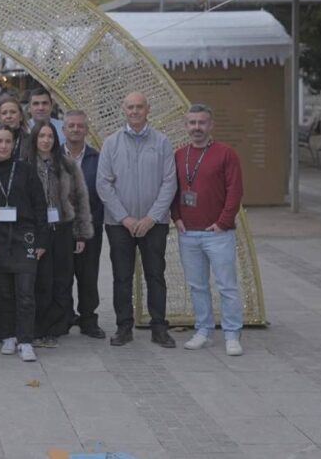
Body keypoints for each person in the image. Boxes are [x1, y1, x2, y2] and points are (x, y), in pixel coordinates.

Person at [97, 91, 177, 348]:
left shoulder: (162, 142)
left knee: (155, 275)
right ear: (124, 109)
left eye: (139, 107)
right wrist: (126, 218)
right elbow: (103, 185)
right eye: (130, 107)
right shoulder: (111, 143)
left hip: (155, 223)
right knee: (122, 276)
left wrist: (152, 218)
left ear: (148, 109)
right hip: (119, 224)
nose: (134, 111)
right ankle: (123, 327)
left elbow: (169, 183)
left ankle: (159, 327)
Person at [171, 104, 245, 356]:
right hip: (188, 233)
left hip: (218, 234)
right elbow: (172, 189)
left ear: (211, 125)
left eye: (202, 123)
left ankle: (232, 334)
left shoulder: (226, 154)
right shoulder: (179, 155)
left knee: (227, 286)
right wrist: (176, 217)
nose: (197, 128)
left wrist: (223, 222)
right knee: (197, 286)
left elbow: (235, 192)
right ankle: (203, 330)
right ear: (185, 126)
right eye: (192, 123)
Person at [0, 125, 48, 362]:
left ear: (14, 144)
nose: (3, 146)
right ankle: (8, 335)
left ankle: (26, 339)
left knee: (26, 292)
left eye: (8, 141)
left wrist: (41, 240)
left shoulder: (26, 170)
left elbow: (40, 206)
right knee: (4, 293)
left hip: (25, 237)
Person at [30, 120, 93, 348]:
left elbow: (80, 199)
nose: (46, 140)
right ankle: (39, 326)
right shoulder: (26, 165)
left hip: (63, 229)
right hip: (38, 230)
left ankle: (56, 326)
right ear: (35, 139)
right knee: (41, 280)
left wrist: (81, 234)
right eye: (42, 136)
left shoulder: (67, 165)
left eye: (50, 136)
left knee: (62, 279)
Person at [0, 94, 30, 341]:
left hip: (22, 233)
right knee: (0, 288)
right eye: (4, 112)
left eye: (13, 112)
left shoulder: (28, 149)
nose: (3, 145)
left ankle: (24, 333)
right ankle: (2, 328)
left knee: (24, 289)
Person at [63, 110, 106, 339]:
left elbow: (103, 193)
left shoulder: (97, 159)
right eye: (71, 126)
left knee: (88, 276)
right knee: (63, 275)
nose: (75, 130)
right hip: (61, 229)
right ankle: (65, 317)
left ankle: (89, 319)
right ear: (64, 130)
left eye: (80, 126)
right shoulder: (54, 157)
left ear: (86, 130)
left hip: (90, 228)